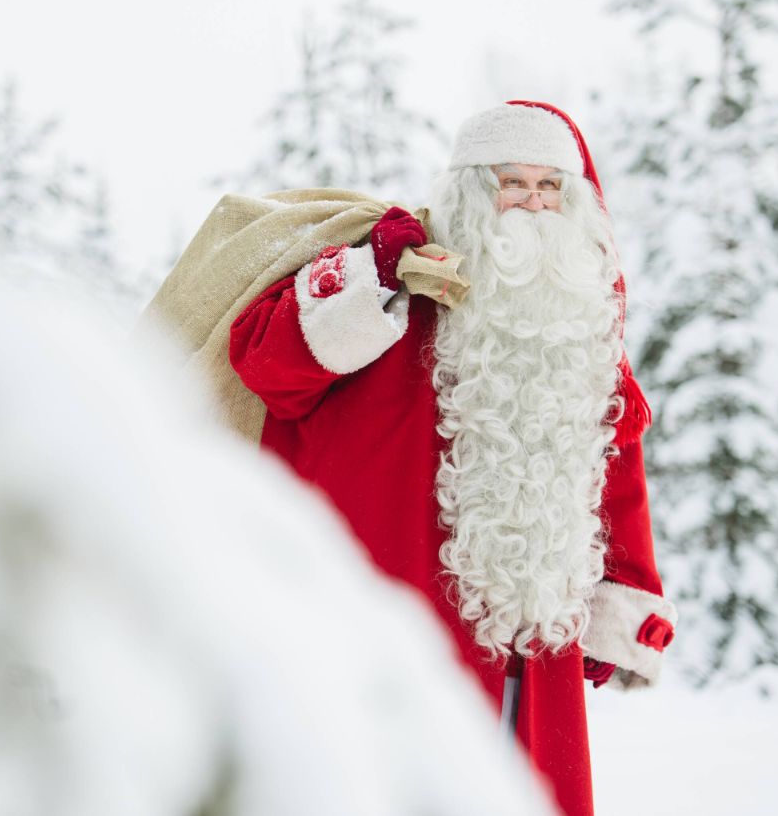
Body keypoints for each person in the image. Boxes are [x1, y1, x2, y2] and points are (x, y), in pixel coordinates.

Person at [227, 101, 676, 816]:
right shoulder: (387, 278)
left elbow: (617, 456)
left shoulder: (576, 320)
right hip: (383, 632)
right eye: (513, 182)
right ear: (470, 188)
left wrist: (622, 592)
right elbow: (265, 363)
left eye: (550, 186)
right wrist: (379, 272)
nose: (533, 203)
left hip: (529, 651)